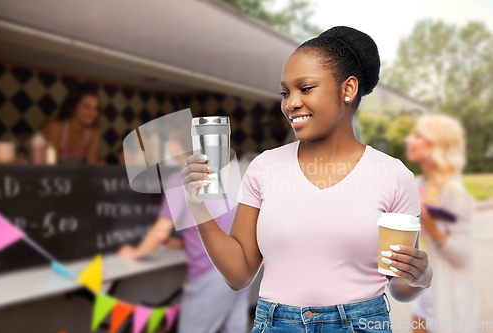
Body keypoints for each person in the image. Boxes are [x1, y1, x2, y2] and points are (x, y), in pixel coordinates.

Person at [181, 26, 433, 333]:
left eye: (306, 88)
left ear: (348, 89)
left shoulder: (393, 176)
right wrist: (196, 207)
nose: (291, 103)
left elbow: (399, 286)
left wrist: (420, 277)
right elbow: (239, 275)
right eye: (285, 92)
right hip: (275, 324)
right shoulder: (265, 167)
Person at [117, 122, 251, 333]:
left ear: (177, 146)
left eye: (170, 140)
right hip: (242, 265)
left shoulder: (182, 178)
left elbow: (159, 233)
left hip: (212, 272)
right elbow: (224, 219)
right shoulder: (222, 173)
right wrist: (184, 243)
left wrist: (134, 253)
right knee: (232, 328)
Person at [405, 114, 479, 333]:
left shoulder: (453, 193)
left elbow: (463, 254)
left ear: (436, 145)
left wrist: (431, 225)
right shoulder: (419, 184)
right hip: (424, 294)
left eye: (417, 136)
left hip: (448, 299)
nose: (409, 140)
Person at [42, 83, 102, 165]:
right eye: (86, 107)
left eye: (95, 108)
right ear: (73, 107)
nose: (92, 113)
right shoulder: (55, 127)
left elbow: (91, 164)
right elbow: (52, 163)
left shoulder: (93, 133)